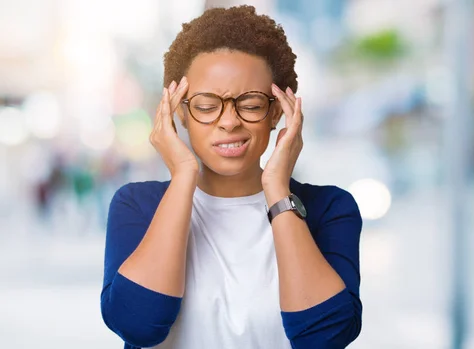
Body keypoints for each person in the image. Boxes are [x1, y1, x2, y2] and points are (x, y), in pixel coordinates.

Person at [100, 5, 362, 349]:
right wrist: (183, 175)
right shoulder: (136, 205)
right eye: (207, 106)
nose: (229, 122)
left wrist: (277, 190)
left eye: (251, 104)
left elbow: (325, 337)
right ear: (179, 111)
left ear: (276, 112)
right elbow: (137, 325)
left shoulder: (329, 208)